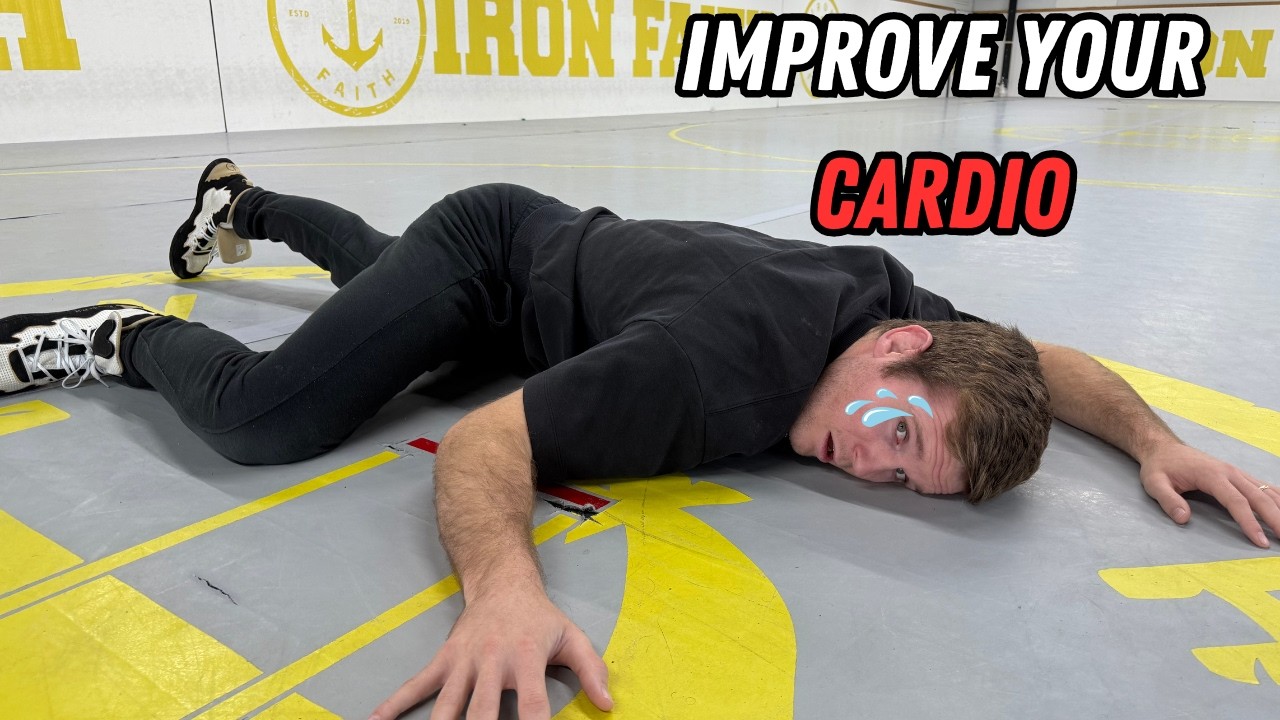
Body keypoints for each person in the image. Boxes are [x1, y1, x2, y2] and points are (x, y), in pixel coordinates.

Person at [1, 160, 1274, 720]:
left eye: (905, 477)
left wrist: (1153, 443)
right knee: (272, 413)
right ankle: (116, 338)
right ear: (894, 351)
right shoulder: (710, 374)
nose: (869, 463)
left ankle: (245, 203)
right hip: (498, 259)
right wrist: (504, 592)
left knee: (377, 289)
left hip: (570, 259)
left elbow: (1042, 363)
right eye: (892, 434)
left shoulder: (902, 323)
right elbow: (490, 445)